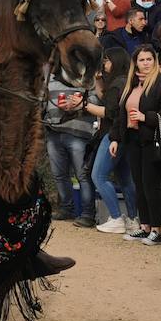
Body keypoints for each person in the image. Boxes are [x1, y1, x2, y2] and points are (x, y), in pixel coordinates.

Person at [108, 44, 161, 247]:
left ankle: (156, 229)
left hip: (152, 141)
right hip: (132, 140)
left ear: (155, 62)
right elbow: (120, 114)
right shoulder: (131, 84)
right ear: (135, 63)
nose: (146, 63)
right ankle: (145, 225)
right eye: (142, 60)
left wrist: (144, 117)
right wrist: (115, 138)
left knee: (151, 185)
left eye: (149, 59)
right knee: (139, 184)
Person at [89, 48, 139, 234]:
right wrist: (98, 79)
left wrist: (84, 105)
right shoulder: (125, 82)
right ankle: (133, 219)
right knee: (125, 179)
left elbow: (109, 112)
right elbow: (107, 99)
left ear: (116, 61)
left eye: (108, 60)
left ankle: (117, 217)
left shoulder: (118, 83)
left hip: (112, 135)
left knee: (98, 176)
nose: (105, 64)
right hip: (125, 136)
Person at [45, 74, 96, 227]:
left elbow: (98, 99)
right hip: (53, 131)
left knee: (82, 175)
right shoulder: (51, 78)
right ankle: (66, 209)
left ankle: (88, 214)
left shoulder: (86, 77)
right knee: (59, 174)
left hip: (79, 133)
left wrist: (80, 103)